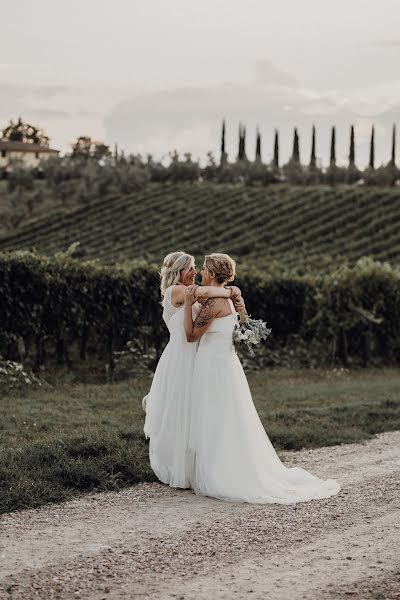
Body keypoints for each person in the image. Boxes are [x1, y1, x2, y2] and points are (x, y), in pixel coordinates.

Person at [183, 253, 341, 504]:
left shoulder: (213, 303)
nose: (201, 271)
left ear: (212, 273)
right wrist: (222, 293)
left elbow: (191, 335)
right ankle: (220, 465)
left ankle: (219, 472)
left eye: (203, 268)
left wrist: (187, 310)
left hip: (213, 365)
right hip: (226, 364)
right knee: (226, 416)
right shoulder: (232, 299)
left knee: (213, 414)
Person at [142, 251, 244, 488]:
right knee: (179, 411)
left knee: (191, 412)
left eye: (196, 267)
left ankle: (191, 468)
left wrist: (230, 295)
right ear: (178, 272)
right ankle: (175, 467)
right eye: (190, 268)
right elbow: (207, 292)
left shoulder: (189, 292)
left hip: (196, 356)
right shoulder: (176, 291)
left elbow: (211, 303)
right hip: (180, 356)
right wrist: (232, 290)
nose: (195, 272)